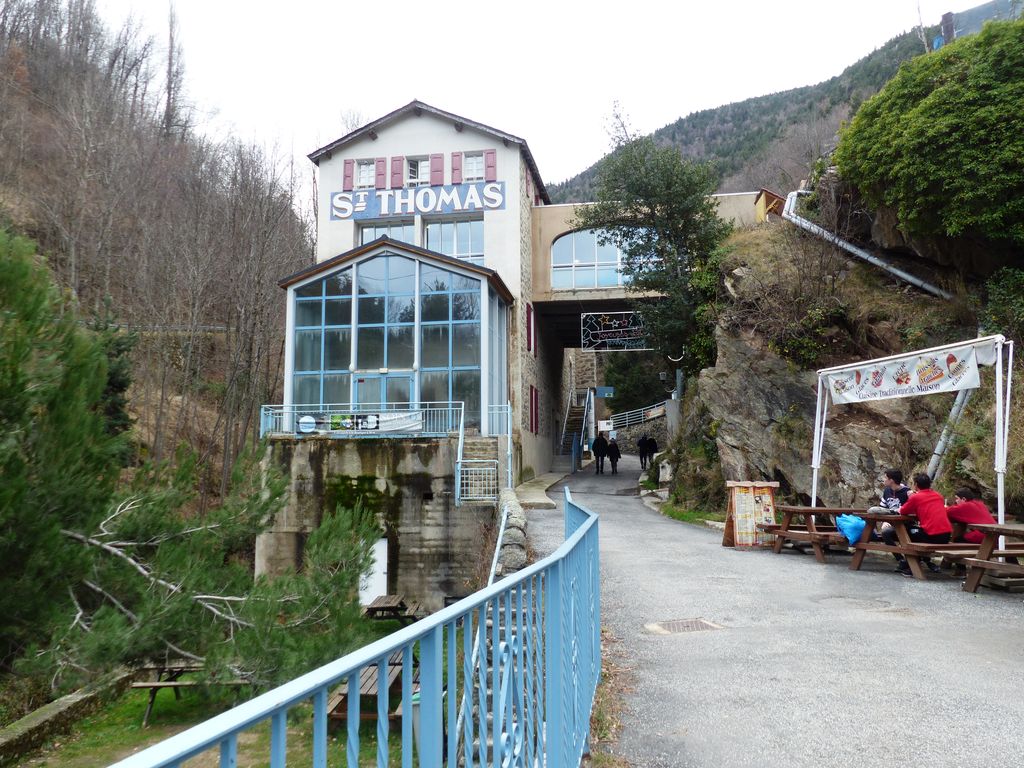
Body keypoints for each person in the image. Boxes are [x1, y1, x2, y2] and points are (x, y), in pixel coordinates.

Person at [883, 472, 951, 576]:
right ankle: (914, 562)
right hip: (946, 536)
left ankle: (910, 565)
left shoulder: (916, 497)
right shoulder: (939, 496)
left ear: (916, 485)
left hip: (932, 535)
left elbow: (903, 511)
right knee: (915, 532)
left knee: (906, 533)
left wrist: (912, 497)